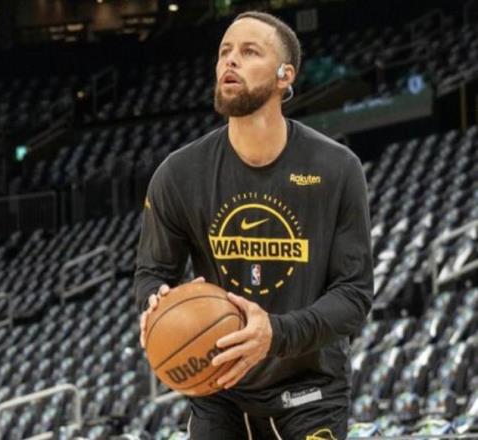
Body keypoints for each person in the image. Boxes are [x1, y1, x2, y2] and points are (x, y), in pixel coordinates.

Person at [134, 10, 373, 440]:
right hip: (219, 387)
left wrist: (275, 334)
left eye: (249, 52)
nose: (230, 60)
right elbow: (153, 273)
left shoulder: (337, 168)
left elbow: (354, 295)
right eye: (224, 51)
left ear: (285, 75)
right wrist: (156, 306)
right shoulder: (179, 173)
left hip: (309, 390)